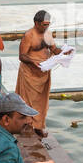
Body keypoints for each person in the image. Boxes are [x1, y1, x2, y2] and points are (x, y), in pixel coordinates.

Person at [15, 10, 61, 139]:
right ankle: (27, 126)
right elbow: (22, 56)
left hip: (44, 72)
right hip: (30, 72)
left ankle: (39, 126)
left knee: (42, 101)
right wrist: (33, 62)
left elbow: (54, 49)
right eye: (44, 24)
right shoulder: (29, 35)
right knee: (27, 101)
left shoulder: (48, 34)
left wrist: (64, 53)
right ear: (36, 23)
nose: (46, 27)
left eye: (48, 24)